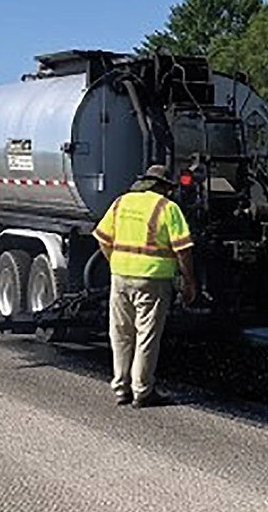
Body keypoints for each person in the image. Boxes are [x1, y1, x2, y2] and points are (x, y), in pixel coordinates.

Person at [94, 164, 197, 408]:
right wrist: (189, 281)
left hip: (120, 275)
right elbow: (183, 249)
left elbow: (102, 238)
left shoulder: (121, 203)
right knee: (146, 335)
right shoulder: (167, 208)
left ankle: (121, 387)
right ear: (163, 187)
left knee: (120, 334)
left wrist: (117, 260)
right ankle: (142, 391)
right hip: (153, 280)